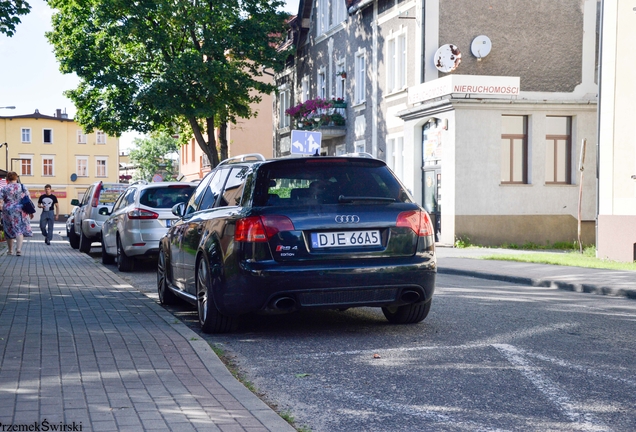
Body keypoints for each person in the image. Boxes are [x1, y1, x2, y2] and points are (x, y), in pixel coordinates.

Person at [0, 172, 33, 256]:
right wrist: (31, 212)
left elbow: (0, 201)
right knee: (19, 229)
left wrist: (2, 209)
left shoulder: (4, 188)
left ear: (7, 179)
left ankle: (10, 250)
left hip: (8, 210)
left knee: (9, 229)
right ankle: (18, 249)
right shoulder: (22, 186)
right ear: (16, 178)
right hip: (21, 210)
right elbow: (28, 199)